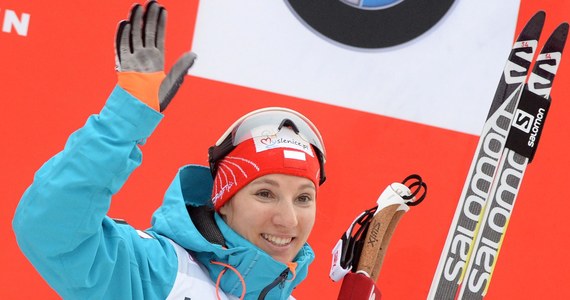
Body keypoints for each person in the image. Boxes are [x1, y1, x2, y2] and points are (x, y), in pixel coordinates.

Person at [12, 1, 327, 299]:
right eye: (265, 194)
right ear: (224, 200)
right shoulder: (155, 271)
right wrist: (124, 121)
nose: (288, 219)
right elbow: (49, 230)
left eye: (303, 198)